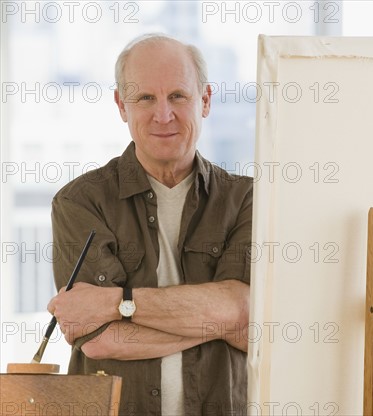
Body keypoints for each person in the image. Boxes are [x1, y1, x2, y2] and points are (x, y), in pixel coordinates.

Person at [47, 33, 252, 416]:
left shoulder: (247, 200)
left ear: (204, 100)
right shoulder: (80, 202)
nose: (163, 115)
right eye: (145, 98)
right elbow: (98, 339)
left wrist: (116, 303)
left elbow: (245, 314)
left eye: (178, 95)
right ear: (121, 105)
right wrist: (215, 321)